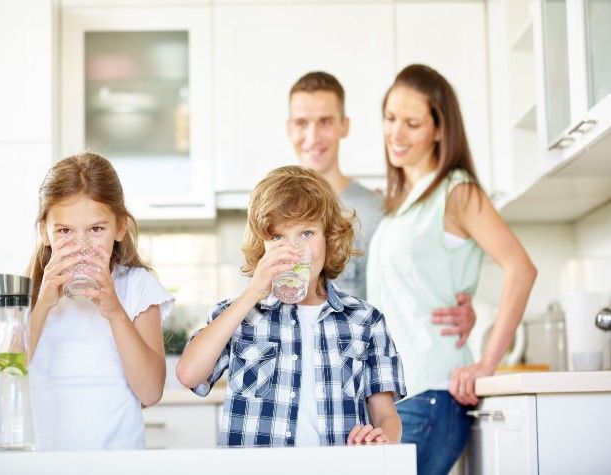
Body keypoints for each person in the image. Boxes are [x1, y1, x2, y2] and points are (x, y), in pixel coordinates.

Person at [367, 64, 537, 474]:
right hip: (401, 397)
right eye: (390, 119)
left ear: (440, 129)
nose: (397, 134)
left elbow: (521, 268)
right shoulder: (404, 203)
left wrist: (486, 363)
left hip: (431, 396)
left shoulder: (457, 190)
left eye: (412, 123)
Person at [176, 165, 405, 447]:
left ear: (329, 237)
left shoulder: (365, 321)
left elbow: (387, 418)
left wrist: (381, 437)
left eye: (306, 233)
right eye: (277, 237)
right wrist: (251, 294)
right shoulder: (238, 315)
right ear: (262, 247)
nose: (294, 250)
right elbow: (189, 375)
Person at [287, 71, 477, 347]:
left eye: (325, 122)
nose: (312, 136)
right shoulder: (273, 212)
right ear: (289, 128)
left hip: (360, 375)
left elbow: (418, 282)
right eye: (301, 123)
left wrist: (462, 305)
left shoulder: (382, 211)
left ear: (344, 126)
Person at [27, 152, 174, 450]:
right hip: (43, 463)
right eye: (65, 231)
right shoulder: (30, 295)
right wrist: (42, 306)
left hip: (119, 462)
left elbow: (150, 392)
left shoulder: (138, 288)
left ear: (120, 227)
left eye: (96, 229)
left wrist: (115, 312)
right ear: (44, 231)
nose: (81, 246)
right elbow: (7, 377)